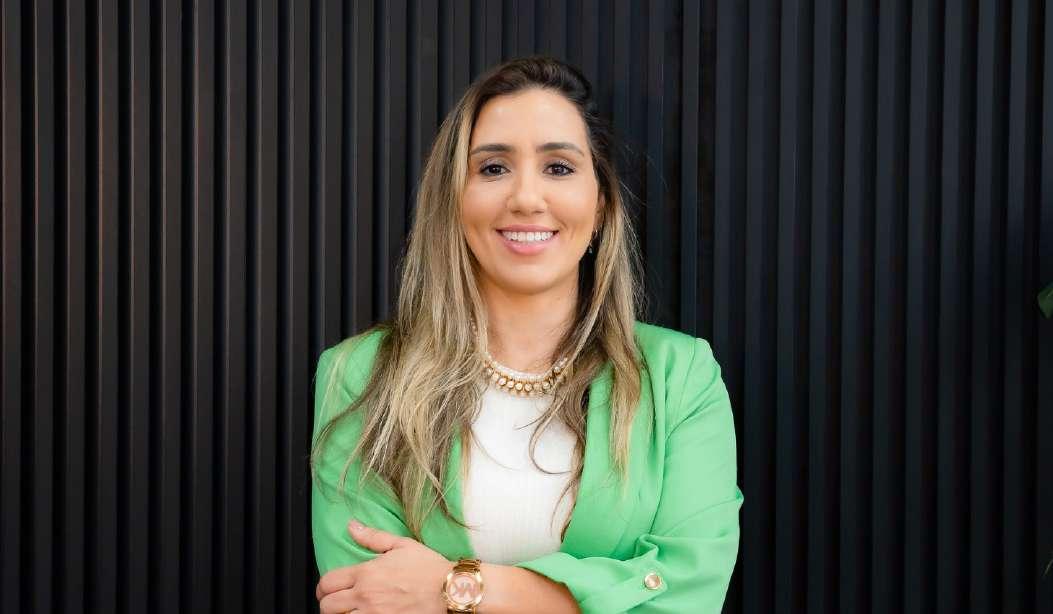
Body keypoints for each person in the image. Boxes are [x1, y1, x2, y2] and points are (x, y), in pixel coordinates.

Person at [310, 55, 743, 614]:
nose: (525, 198)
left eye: (558, 167)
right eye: (493, 168)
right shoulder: (359, 375)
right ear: (454, 200)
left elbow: (690, 595)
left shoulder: (680, 377)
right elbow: (367, 600)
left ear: (601, 204)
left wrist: (457, 589)